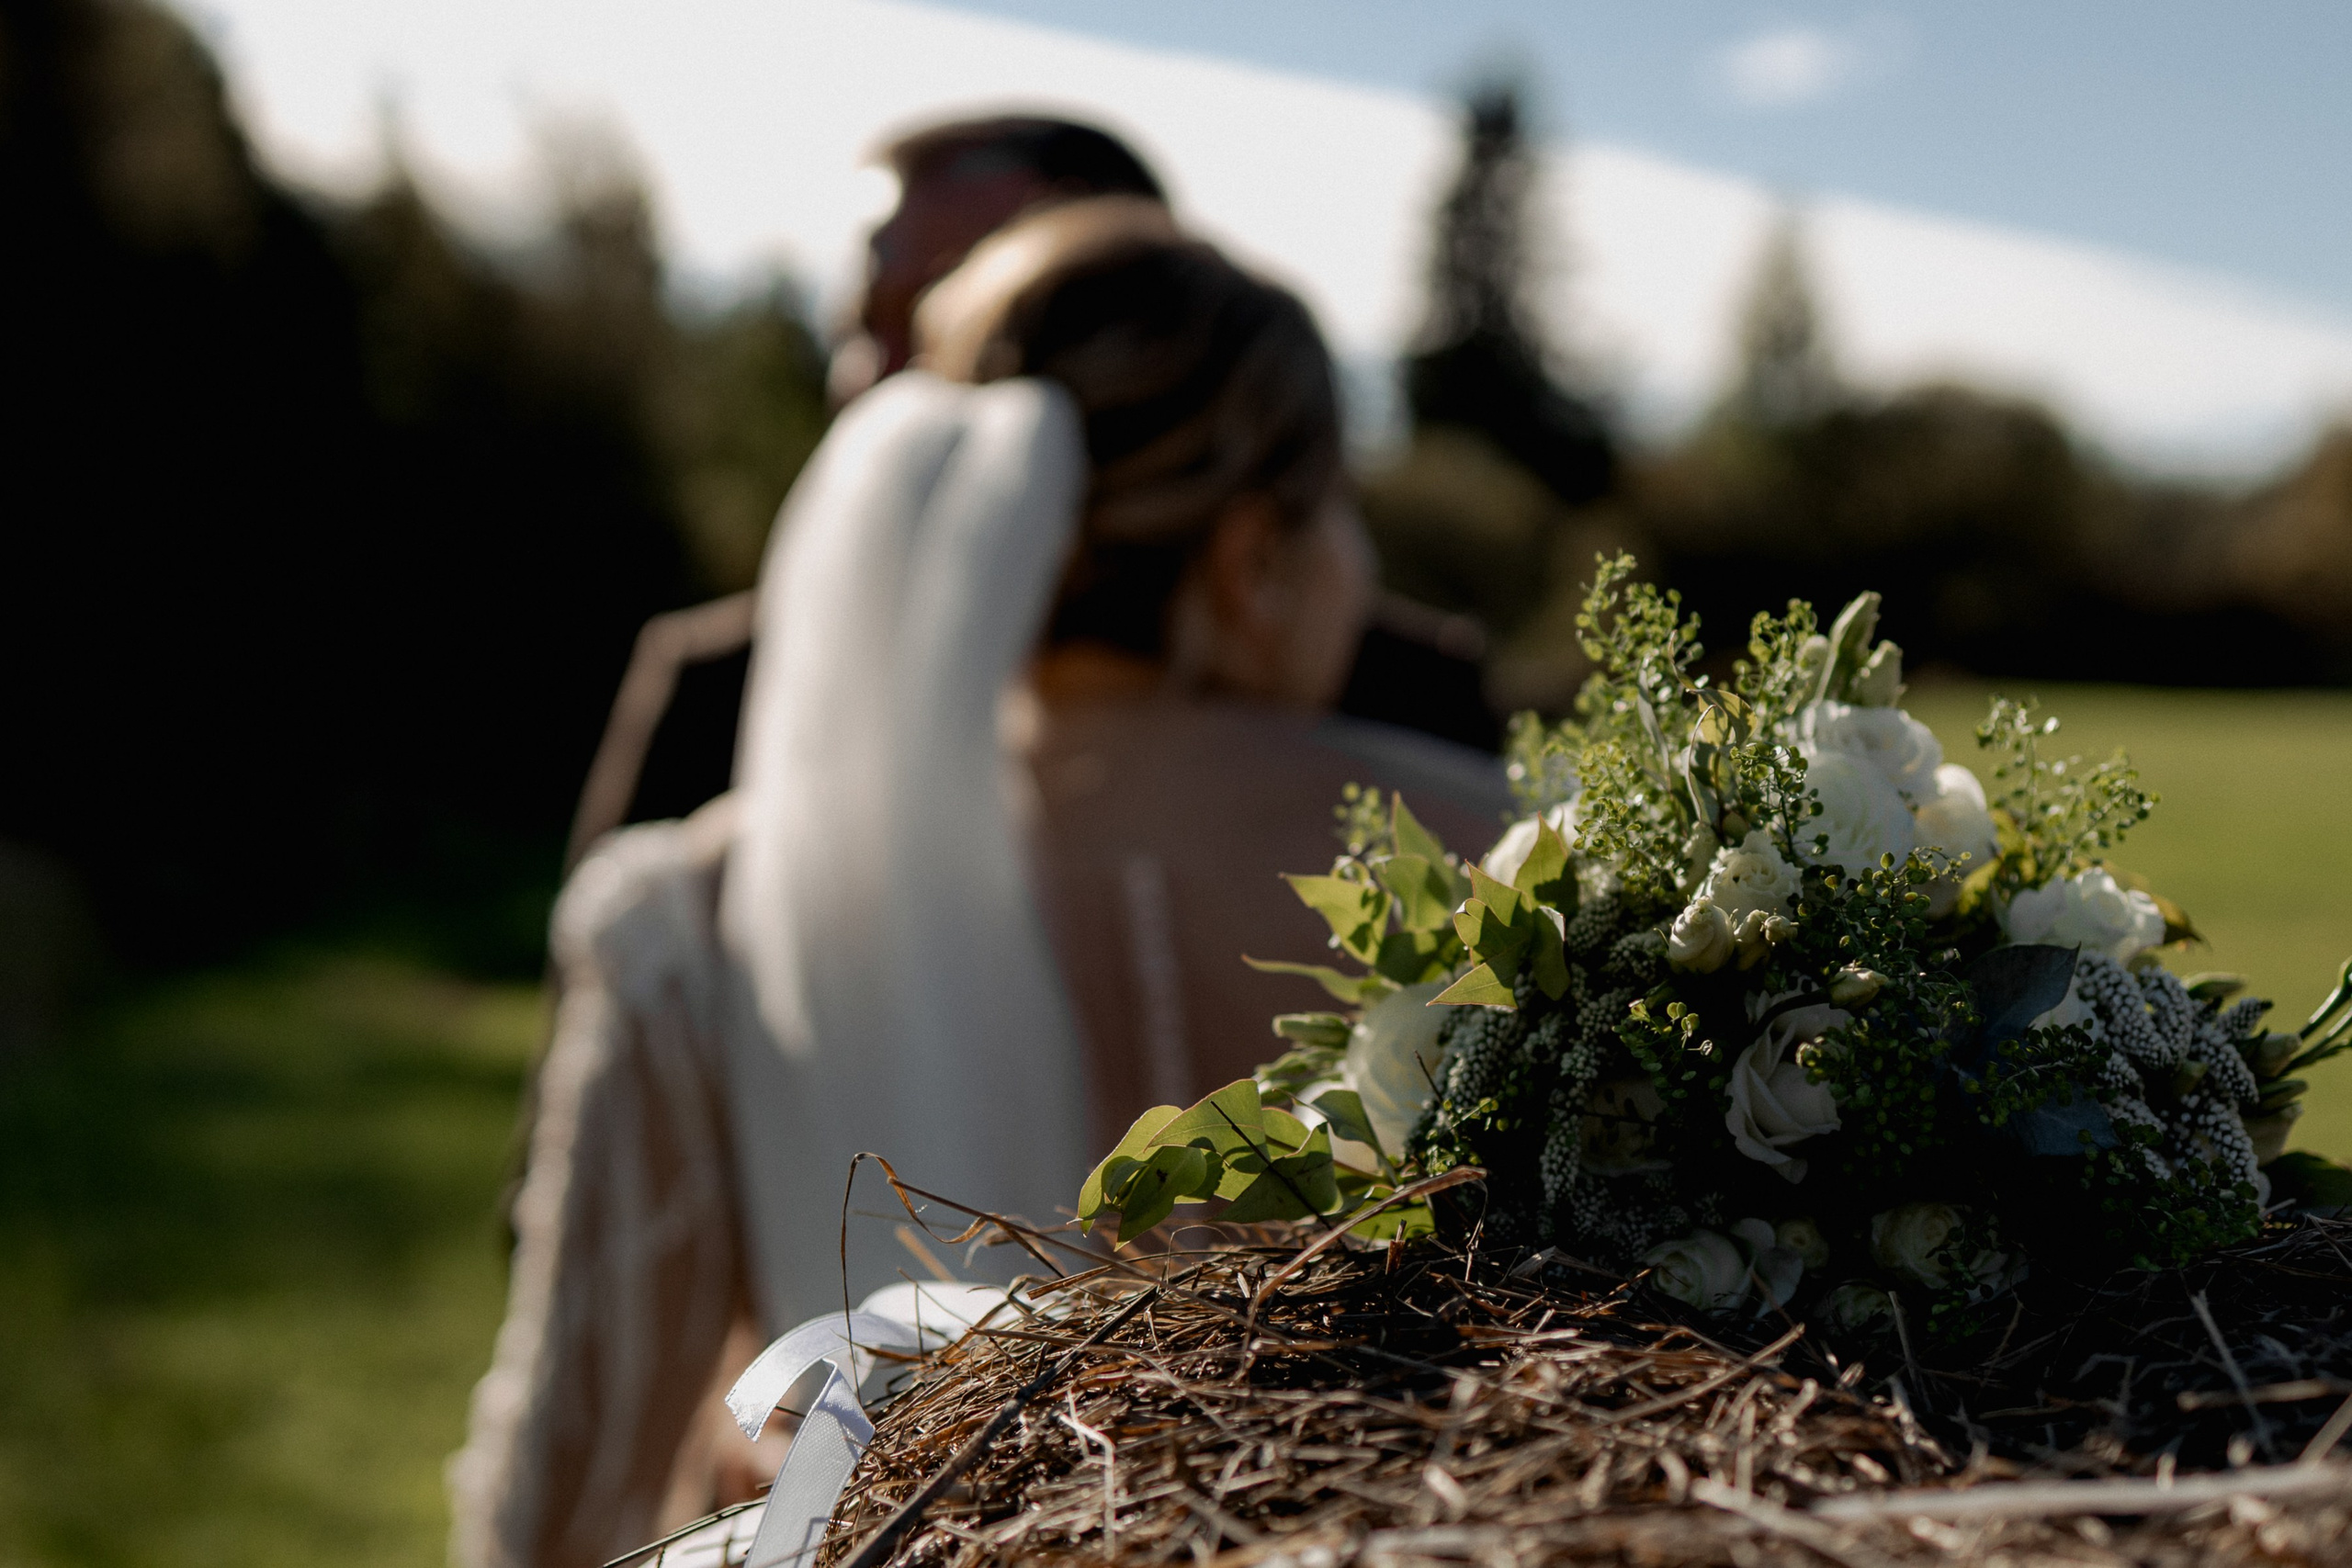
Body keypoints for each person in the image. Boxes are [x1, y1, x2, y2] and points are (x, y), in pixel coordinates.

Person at [448, 197, 1509, 1568]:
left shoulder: (707, 915)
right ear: (1252, 557)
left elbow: (565, 1496)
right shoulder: (1508, 861)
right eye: (1344, 513)